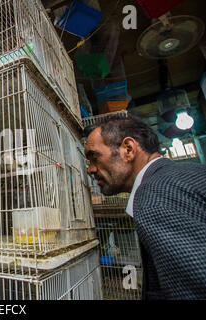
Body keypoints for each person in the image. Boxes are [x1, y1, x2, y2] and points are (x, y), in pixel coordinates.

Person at [84, 114, 206, 300]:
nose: (90, 169)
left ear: (128, 149)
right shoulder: (190, 172)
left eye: (94, 157)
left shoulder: (154, 194)